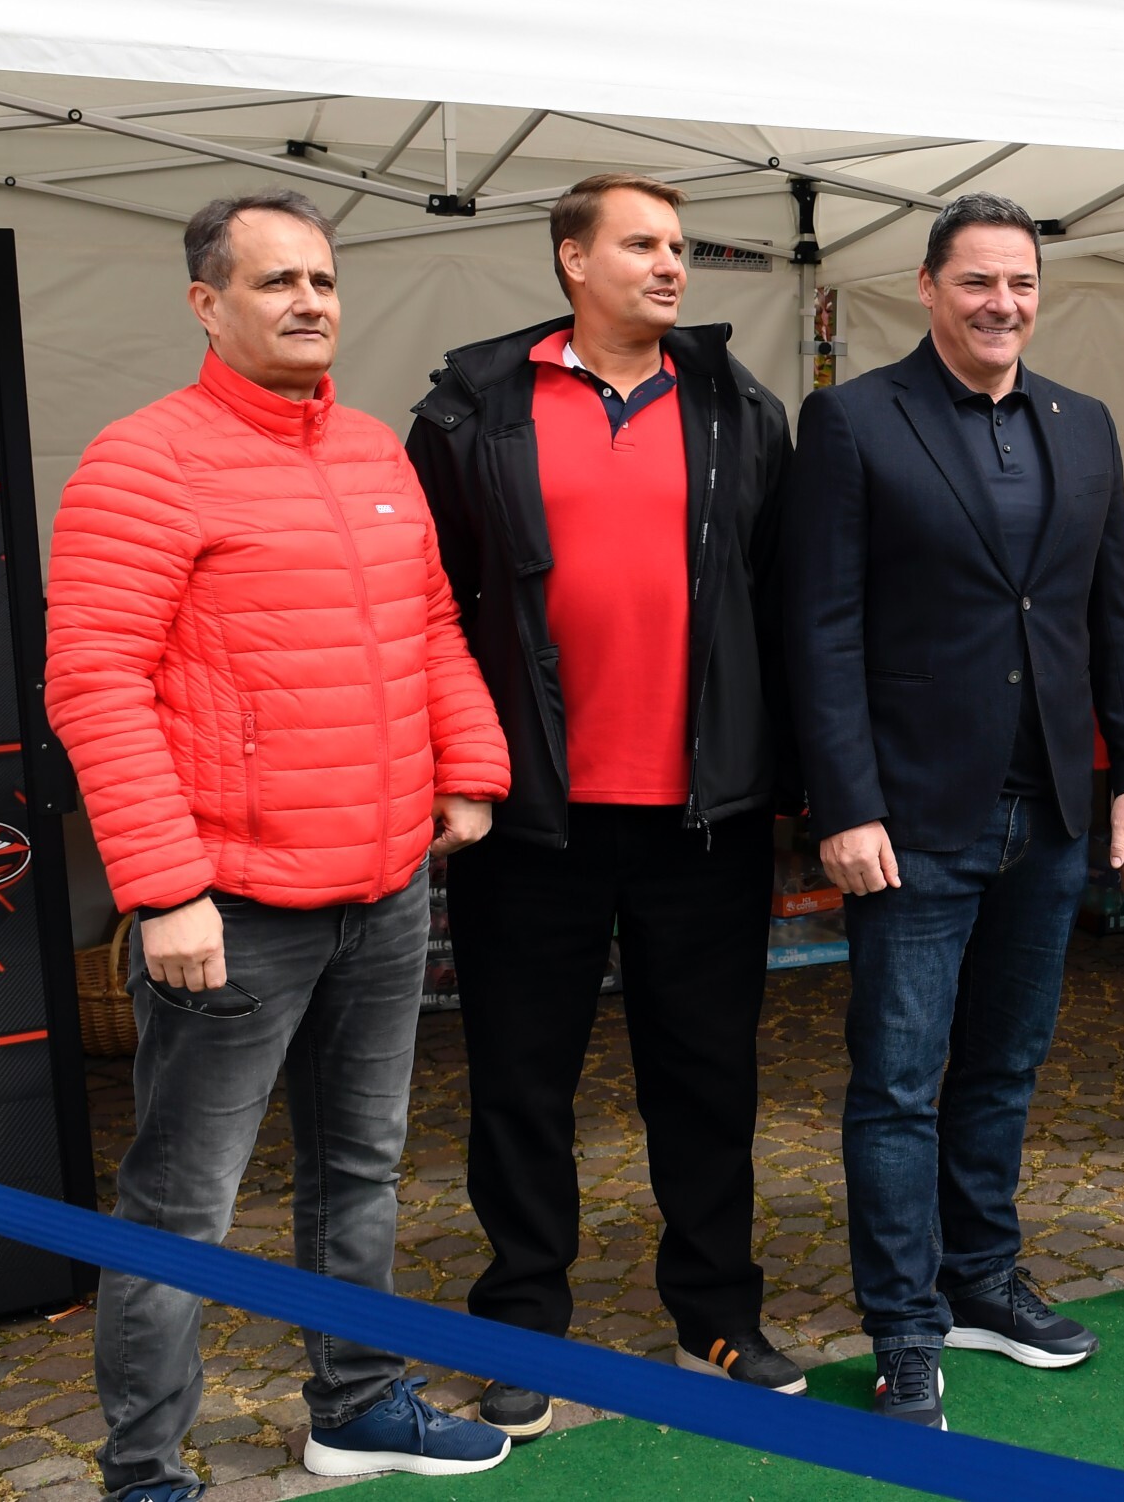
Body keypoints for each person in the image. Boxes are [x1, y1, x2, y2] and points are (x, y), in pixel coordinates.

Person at [45, 193, 514, 1501]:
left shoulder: (370, 450)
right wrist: (166, 888)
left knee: (360, 1170)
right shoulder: (143, 460)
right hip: (232, 907)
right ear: (207, 304)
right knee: (182, 1207)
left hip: (382, 889)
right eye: (275, 281)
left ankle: (356, 1406)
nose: (309, 300)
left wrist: (469, 764)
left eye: (322, 278)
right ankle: (144, 1471)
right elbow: (93, 681)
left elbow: (428, 624)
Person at [406, 174, 801, 1437]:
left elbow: (779, 597)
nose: (671, 264)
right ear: (573, 259)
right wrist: (454, 765)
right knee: (520, 1083)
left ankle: (715, 1312)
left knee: (708, 1077)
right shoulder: (474, 409)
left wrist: (790, 782)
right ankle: (522, 1321)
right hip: (533, 816)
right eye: (642, 244)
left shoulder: (740, 407)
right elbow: (425, 601)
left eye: (679, 245)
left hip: (703, 815)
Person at [784, 193, 1124, 1429]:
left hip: (1050, 811)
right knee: (898, 1080)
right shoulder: (853, 419)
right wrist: (844, 801)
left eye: (1021, 283)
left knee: (1004, 1063)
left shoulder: (1081, 422)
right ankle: (902, 1328)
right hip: (910, 819)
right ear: (928, 287)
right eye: (976, 282)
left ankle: (979, 1280)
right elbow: (819, 625)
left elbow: (1111, 616)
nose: (1001, 303)